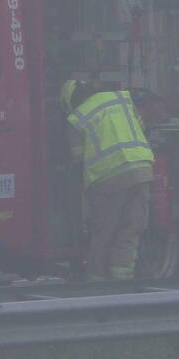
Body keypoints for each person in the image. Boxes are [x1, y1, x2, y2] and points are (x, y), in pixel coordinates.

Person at [60, 79, 155, 281]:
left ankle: (97, 283)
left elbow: (78, 160)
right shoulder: (120, 99)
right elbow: (142, 127)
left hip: (107, 179)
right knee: (130, 230)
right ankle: (122, 282)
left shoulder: (75, 119)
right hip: (141, 170)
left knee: (104, 233)